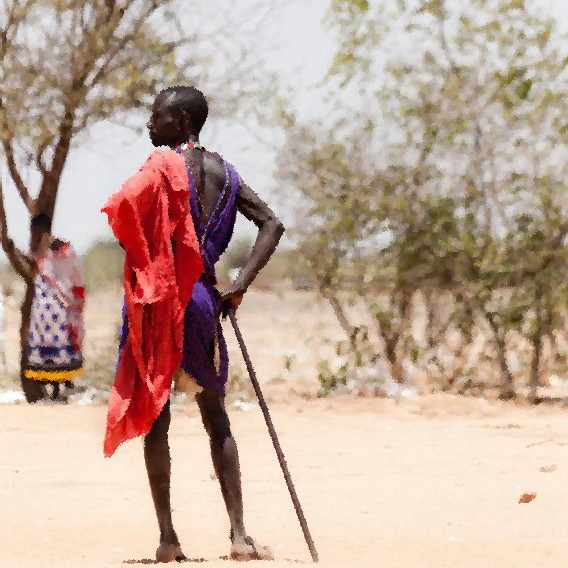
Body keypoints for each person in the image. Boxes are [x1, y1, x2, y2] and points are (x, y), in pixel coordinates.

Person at [102, 86, 284, 562]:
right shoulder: (226, 172)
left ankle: (168, 540)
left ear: (182, 122)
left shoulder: (161, 167)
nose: (148, 125)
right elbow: (272, 223)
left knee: (157, 421)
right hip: (205, 300)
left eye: (156, 117)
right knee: (216, 417)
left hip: (161, 301)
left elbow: (121, 209)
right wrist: (238, 284)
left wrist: (148, 254)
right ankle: (240, 535)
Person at [23, 214, 85, 401]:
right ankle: (55, 388)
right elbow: (38, 265)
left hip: (57, 305)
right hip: (44, 308)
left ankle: (61, 387)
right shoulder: (42, 249)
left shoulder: (56, 246)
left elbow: (65, 265)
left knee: (60, 344)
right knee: (46, 347)